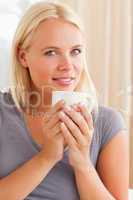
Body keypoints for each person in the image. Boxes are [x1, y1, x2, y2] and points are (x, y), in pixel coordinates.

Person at [0, 1, 128, 200]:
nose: (67, 66)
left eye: (75, 51)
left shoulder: (107, 123)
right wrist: (48, 156)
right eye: (51, 52)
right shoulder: (3, 111)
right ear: (23, 56)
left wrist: (82, 163)